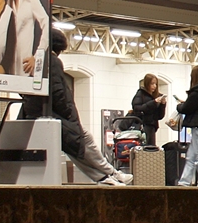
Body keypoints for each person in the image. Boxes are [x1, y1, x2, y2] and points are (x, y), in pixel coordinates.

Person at [18, 29, 130, 186]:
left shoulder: (34, 60)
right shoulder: (52, 61)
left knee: (78, 148)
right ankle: (110, 174)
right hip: (56, 116)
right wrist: (68, 113)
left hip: (39, 114)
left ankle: (106, 176)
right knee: (82, 143)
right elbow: (58, 91)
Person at [176, 64, 198, 186]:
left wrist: (179, 106)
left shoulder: (197, 92)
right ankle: (184, 182)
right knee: (191, 156)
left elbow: (187, 108)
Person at [129, 74, 167, 146]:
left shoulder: (157, 95)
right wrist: (153, 102)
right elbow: (137, 108)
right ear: (147, 84)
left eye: (155, 84)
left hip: (152, 126)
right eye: (152, 84)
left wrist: (162, 105)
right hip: (142, 125)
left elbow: (160, 116)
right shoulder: (140, 94)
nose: (154, 86)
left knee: (151, 147)